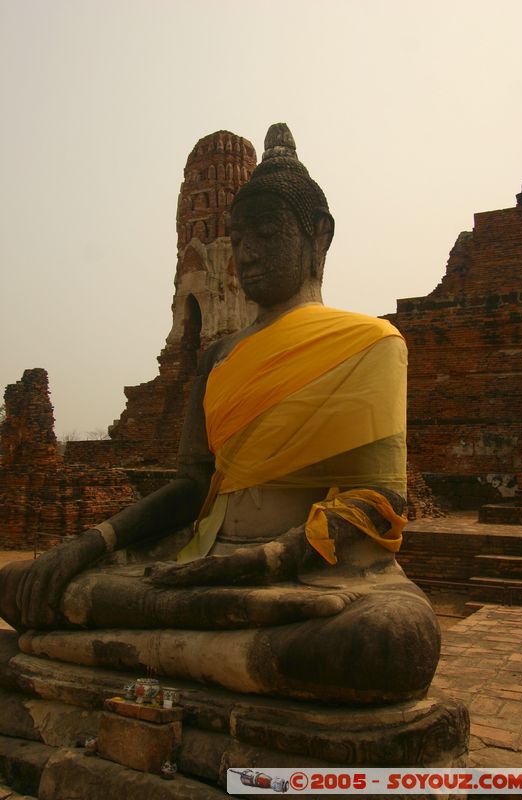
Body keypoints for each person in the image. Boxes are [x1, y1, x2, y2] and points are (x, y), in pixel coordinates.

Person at [0, 124, 440, 704]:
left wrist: (266, 561)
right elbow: (191, 487)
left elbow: (381, 501)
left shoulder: (371, 342)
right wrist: (88, 544)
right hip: (199, 562)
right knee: (21, 586)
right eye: (235, 235)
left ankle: (117, 653)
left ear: (319, 237)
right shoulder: (219, 357)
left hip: (307, 573)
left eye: (265, 231)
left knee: (391, 639)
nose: (246, 251)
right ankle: (213, 658)